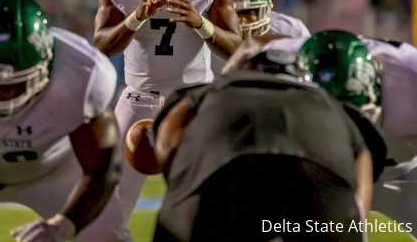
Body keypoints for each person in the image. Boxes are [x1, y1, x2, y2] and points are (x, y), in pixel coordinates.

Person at [91, 0, 242, 221]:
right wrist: (134, 19)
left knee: (216, 204)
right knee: (109, 208)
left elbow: (236, 47)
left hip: (195, 100)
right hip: (137, 101)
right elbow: (102, 45)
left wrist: (200, 23)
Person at [138, 50, 373, 241]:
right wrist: (350, 221)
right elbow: (362, 158)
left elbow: (169, 141)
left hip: (222, 171)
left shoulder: (216, 88)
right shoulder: (327, 102)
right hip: (322, 173)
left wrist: (184, 186)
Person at [0, 0, 127, 242]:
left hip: (53, 170)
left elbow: (103, 167)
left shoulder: (81, 74)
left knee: (107, 235)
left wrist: (64, 226)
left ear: (45, 69)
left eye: (11, 85)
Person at [225, 31, 417, 236]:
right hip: (322, 162)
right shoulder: (300, 60)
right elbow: (253, 45)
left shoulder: (410, 82)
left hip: (402, 175)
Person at [210, 0, 310, 76]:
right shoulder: (205, 39)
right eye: (233, 14)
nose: (241, 21)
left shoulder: (292, 30)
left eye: (248, 13)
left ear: (266, 10)